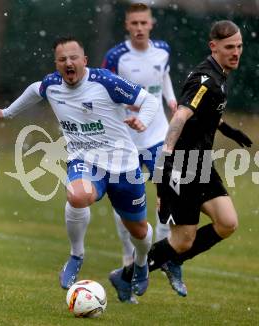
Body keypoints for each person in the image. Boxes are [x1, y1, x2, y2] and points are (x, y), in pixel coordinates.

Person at [0, 37, 160, 296]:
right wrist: (6, 112)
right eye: (62, 59)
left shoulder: (106, 82)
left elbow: (150, 102)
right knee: (77, 195)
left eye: (74, 57)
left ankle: (141, 264)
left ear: (84, 60)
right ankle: (76, 255)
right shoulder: (52, 84)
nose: (68, 63)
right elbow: (34, 90)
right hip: (85, 161)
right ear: (57, 64)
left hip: (125, 167)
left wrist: (142, 120)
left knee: (139, 231)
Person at [109, 20, 253, 299]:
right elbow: (181, 116)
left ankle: (173, 260)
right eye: (229, 47)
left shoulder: (218, 75)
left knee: (227, 223)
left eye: (239, 46)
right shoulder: (205, 78)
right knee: (182, 240)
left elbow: (205, 110)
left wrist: (226, 129)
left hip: (202, 164)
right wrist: (164, 161)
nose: (236, 52)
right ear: (214, 47)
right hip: (183, 166)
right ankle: (125, 276)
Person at [101, 3, 186, 302]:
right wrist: (128, 108)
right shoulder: (115, 57)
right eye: (134, 22)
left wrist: (172, 100)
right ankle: (129, 260)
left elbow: (164, 76)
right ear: (127, 25)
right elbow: (104, 91)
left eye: (143, 22)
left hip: (158, 136)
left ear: (152, 24)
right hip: (125, 140)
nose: (139, 27)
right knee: (124, 202)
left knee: (170, 193)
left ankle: (161, 252)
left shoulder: (163, 50)